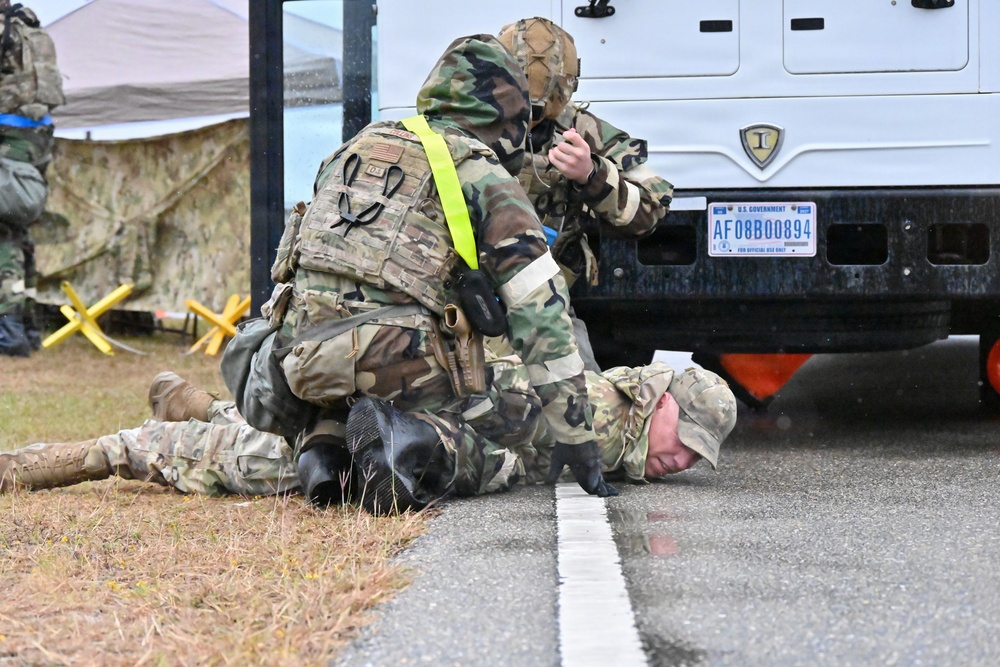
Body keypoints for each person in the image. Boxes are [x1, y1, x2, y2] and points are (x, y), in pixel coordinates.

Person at [222, 32, 616, 514]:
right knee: (504, 441)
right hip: (387, 362)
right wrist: (575, 435)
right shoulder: (480, 171)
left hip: (298, 359)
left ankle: (324, 451)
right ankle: (406, 441)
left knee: (353, 369)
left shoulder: (353, 150)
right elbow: (542, 312)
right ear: (505, 119)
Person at [0, 361, 737, 500]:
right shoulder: (605, 416)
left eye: (693, 458)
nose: (679, 459)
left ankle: (196, 403)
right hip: (396, 423)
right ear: (658, 395)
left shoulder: (608, 413)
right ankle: (61, 460)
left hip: (402, 406)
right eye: (685, 438)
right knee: (258, 463)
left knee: (264, 438)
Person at [495, 17, 674, 371]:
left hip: (546, 305)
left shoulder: (579, 130)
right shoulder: (469, 125)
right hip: (469, 300)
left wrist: (592, 175)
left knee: (583, 405)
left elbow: (653, 207)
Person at [0, 3, 64, 356]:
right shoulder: (32, 30)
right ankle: (27, 326)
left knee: (3, 229)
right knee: (20, 229)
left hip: (9, 137)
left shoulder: (4, 32)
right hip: (37, 138)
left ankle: (8, 332)